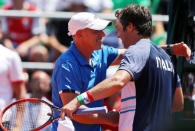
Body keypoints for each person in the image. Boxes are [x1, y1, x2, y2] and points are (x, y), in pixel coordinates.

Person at [60, 5, 186, 131]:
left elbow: (117, 81)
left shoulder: (136, 51)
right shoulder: (167, 59)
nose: (117, 35)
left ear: (130, 27)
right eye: (96, 31)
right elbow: (178, 104)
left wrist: (78, 100)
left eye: (118, 29)